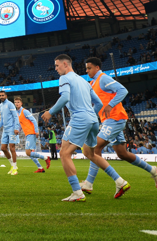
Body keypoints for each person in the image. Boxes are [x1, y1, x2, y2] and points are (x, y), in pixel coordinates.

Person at [80, 57, 157, 195]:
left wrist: (111, 105)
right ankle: (153, 170)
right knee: (122, 153)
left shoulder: (103, 79)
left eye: (89, 68)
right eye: (86, 68)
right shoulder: (93, 83)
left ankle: (92, 183)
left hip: (114, 119)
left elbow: (122, 90)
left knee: (94, 149)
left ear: (97, 68)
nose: (87, 71)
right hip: (109, 121)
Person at [41, 54, 115, 202]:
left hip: (80, 119)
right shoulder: (84, 81)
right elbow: (99, 104)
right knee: (91, 154)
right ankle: (119, 181)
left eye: (57, 65)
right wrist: (90, 116)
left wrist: (50, 112)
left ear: (65, 64)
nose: (55, 69)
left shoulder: (64, 78)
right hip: (93, 120)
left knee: (64, 154)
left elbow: (65, 98)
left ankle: (77, 192)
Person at [14, 96, 50, 173]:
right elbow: (21, 124)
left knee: (28, 152)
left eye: (18, 102)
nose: (17, 104)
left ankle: (46, 158)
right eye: (15, 102)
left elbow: (33, 120)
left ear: (21, 103)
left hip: (31, 132)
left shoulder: (24, 111)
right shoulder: (18, 113)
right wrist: (19, 130)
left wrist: (36, 131)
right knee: (30, 153)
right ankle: (40, 168)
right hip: (27, 134)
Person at [0, 90, 20, 175]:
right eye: (0, 95)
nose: (1, 97)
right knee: (3, 148)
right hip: (5, 130)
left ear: (6, 96)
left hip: (12, 129)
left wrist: (16, 128)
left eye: (3, 95)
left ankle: (15, 169)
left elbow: (15, 116)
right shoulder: (0, 106)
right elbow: (3, 118)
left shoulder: (10, 104)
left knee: (12, 148)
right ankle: (12, 166)